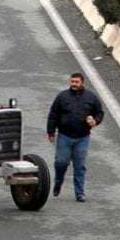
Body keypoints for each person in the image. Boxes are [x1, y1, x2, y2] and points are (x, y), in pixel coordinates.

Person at [45, 72, 104, 202]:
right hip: (64, 136)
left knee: (80, 166)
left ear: (82, 83)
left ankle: (80, 193)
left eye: (76, 82)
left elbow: (100, 112)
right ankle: (58, 181)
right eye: (72, 82)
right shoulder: (62, 96)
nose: (74, 84)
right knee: (61, 162)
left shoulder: (91, 97)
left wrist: (95, 121)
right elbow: (53, 114)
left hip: (83, 137)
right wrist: (50, 132)